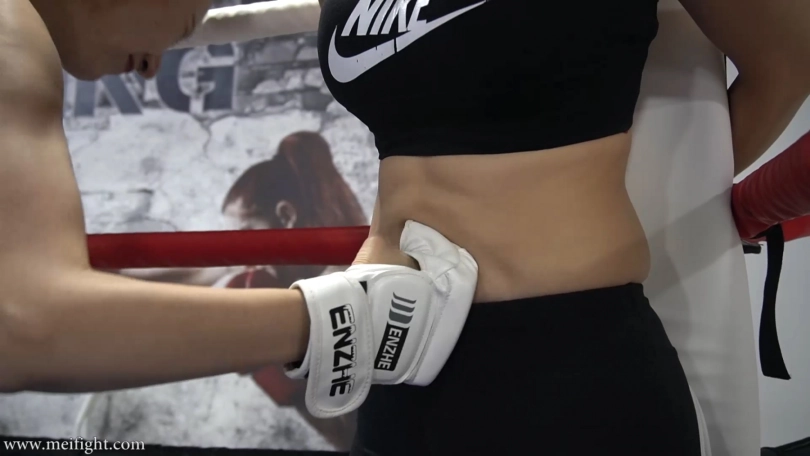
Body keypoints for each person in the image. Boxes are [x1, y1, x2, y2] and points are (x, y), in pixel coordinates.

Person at [0, 1, 808, 456]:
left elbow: (788, 58)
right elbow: (27, 320)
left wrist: (635, 210)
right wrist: (334, 323)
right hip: (398, 370)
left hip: (571, 361)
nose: (196, 18)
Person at [128, 131, 365, 450]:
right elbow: (193, 272)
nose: (240, 246)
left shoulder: (342, 274)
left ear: (286, 216)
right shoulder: (265, 270)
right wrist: (101, 268)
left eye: (246, 231)